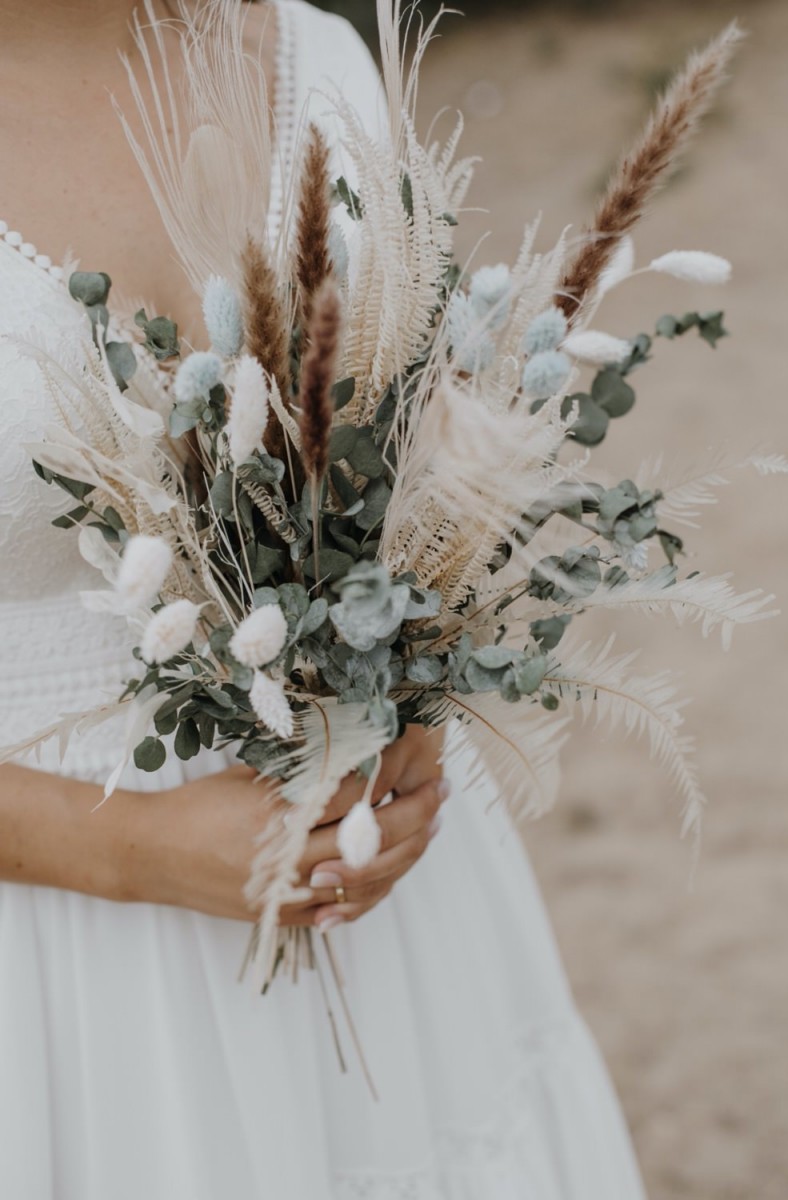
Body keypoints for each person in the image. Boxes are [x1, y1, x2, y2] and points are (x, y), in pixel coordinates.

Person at [0, 1, 648, 1195]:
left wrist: (415, 676)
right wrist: (132, 849)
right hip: (62, 985)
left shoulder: (317, 59)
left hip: (386, 903)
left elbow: (414, 446)